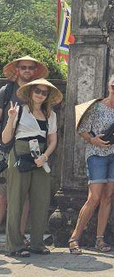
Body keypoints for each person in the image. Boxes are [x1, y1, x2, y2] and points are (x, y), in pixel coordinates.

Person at [68, 74, 114, 254]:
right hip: (96, 154)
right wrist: (93, 140)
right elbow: (82, 129)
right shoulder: (95, 107)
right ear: (108, 87)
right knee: (94, 197)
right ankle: (74, 238)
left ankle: (100, 239)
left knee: (108, 197)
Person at [2, 78, 61, 257]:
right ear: (31, 92)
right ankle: (14, 245)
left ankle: (37, 242)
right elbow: (5, 139)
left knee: (41, 201)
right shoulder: (19, 111)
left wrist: (45, 156)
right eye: (38, 91)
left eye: (44, 93)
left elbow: (53, 140)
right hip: (20, 154)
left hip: (40, 156)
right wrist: (10, 118)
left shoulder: (51, 115)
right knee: (16, 200)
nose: (40, 95)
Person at [0, 56, 46, 238]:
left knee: (24, 197)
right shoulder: (7, 91)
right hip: (5, 148)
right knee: (3, 196)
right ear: (17, 70)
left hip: (29, 150)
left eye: (30, 68)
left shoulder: (37, 92)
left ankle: (18, 236)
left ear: (35, 71)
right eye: (24, 67)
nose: (27, 70)